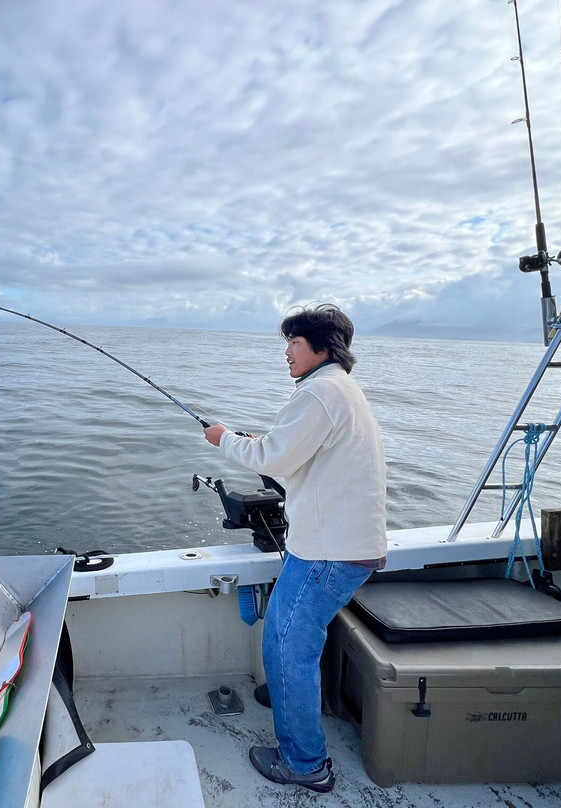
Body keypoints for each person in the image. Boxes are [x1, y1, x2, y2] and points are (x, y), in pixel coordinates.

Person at [203, 303, 387, 794]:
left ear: (322, 348)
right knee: (296, 642)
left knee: (286, 647)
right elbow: (294, 454)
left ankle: (306, 764)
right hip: (342, 544)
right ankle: (291, 700)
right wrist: (253, 441)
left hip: (329, 551)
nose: (286, 351)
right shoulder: (338, 389)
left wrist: (224, 439)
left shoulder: (320, 393)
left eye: (294, 342)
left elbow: (271, 456)